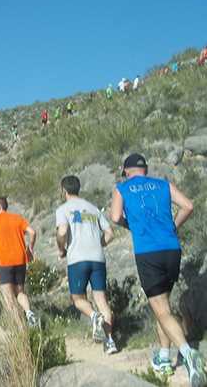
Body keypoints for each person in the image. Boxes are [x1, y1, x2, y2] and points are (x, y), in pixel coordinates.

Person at [110, 154, 206, 385]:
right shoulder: (163, 184)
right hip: (172, 249)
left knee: (161, 309)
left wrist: (130, 224)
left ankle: (189, 355)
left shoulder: (121, 188)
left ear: (126, 171)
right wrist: (173, 225)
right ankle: (163, 357)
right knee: (164, 305)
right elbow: (188, 206)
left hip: (148, 252)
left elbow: (114, 216)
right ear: (145, 169)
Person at [56, 176, 117, 354]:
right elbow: (110, 233)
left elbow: (63, 231)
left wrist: (61, 246)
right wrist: (99, 244)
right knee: (101, 300)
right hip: (98, 258)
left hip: (77, 259)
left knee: (78, 299)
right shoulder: (93, 208)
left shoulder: (63, 209)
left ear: (63, 191)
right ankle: (110, 341)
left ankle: (93, 316)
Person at [0, 197, 38, 327]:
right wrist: (30, 248)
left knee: (8, 298)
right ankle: (29, 312)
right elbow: (33, 232)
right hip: (20, 260)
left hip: (5, 262)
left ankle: (20, 327)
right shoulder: (17, 218)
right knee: (20, 292)